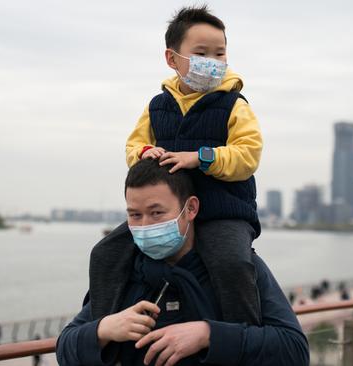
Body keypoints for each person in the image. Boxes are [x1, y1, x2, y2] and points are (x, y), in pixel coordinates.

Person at [55, 159, 309, 366]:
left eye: (157, 213)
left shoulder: (237, 267)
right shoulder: (121, 274)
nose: (144, 225)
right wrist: (103, 329)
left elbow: (294, 350)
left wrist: (208, 335)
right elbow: (65, 347)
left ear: (190, 209)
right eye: (135, 215)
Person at [125, 5, 263, 326]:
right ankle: (104, 328)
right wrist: (146, 153)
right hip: (168, 213)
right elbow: (133, 146)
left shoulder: (234, 105)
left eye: (219, 54)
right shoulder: (157, 106)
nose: (212, 62)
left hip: (222, 212)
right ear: (172, 59)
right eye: (201, 53)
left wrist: (201, 157)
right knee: (107, 253)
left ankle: (243, 337)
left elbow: (248, 155)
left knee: (232, 264)